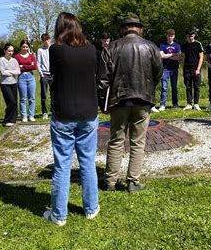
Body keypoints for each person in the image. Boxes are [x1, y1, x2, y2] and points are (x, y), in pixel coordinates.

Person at [43, 12, 101, 225]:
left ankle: (59, 214)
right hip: (88, 112)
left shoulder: (55, 50)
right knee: (87, 162)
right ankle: (91, 207)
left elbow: (54, 74)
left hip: (64, 114)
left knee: (62, 165)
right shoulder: (91, 49)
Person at [102, 16, 162, 192]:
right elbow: (158, 72)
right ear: (139, 29)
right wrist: (148, 88)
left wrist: (103, 103)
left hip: (118, 99)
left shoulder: (111, 47)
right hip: (143, 99)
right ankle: (133, 181)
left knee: (116, 140)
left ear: (124, 29)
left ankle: (110, 181)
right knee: (138, 142)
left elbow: (103, 79)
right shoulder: (151, 47)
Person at [155, 28, 181, 112]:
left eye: (171, 36)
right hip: (165, 69)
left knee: (174, 87)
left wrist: (167, 55)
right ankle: (162, 105)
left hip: (174, 69)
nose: (170, 37)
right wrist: (173, 54)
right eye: (169, 36)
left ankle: (175, 104)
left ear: (174, 36)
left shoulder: (177, 45)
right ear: (166, 36)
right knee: (164, 87)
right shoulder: (162, 45)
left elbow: (178, 58)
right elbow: (161, 56)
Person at [181, 28, 204, 111]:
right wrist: (183, 69)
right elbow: (183, 57)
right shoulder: (184, 45)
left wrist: (198, 69)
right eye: (189, 35)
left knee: (196, 87)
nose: (191, 36)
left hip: (196, 68)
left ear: (194, 35)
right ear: (186, 35)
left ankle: (196, 104)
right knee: (188, 87)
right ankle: (189, 103)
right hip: (187, 68)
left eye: (192, 34)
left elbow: (201, 57)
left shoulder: (198, 44)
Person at [15, 40, 37, 122]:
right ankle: (24, 116)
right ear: (21, 47)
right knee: (23, 99)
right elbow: (17, 67)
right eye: (23, 47)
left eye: (27, 47)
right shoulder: (17, 56)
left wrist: (23, 66)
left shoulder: (31, 56)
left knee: (32, 98)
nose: (25, 48)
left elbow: (34, 66)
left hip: (31, 77)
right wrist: (28, 65)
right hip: (21, 78)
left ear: (28, 47)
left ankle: (31, 115)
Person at [0, 43, 20, 126]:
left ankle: (12, 119)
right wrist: (12, 72)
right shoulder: (1, 60)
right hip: (5, 83)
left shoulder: (14, 60)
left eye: (12, 51)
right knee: (11, 101)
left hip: (13, 82)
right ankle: (7, 119)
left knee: (15, 102)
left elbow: (18, 71)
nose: (11, 53)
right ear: (5, 51)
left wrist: (10, 72)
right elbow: (3, 72)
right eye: (9, 51)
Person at [37, 34, 51, 120]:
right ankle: (44, 112)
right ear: (42, 41)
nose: (46, 42)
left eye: (47, 40)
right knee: (44, 95)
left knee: (54, 94)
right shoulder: (40, 50)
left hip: (53, 74)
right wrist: (41, 74)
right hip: (44, 75)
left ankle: (54, 111)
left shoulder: (54, 49)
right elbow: (38, 62)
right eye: (44, 40)